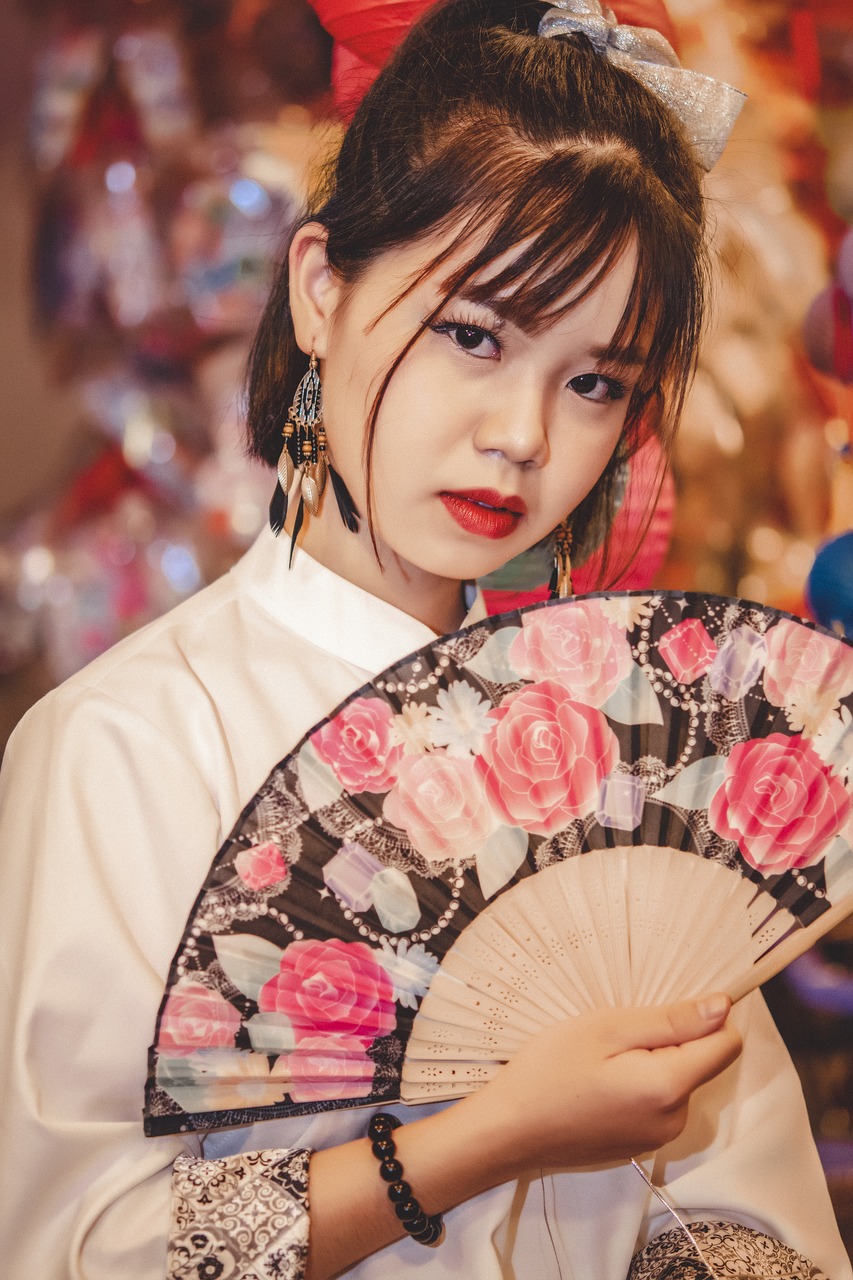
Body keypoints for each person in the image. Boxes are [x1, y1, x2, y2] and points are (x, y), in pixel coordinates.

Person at [0, 1, 849, 1277]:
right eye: (473, 334)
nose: (521, 432)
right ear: (320, 289)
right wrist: (485, 1136)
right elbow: (75, 1242)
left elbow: (745, 1200)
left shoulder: (629, 740)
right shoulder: (121, 742)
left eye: (594, 381)